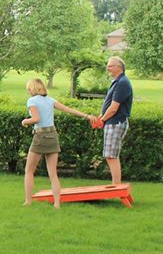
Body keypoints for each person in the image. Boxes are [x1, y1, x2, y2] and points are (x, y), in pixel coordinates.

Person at [22, 78, 94, 207]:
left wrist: (25, 121)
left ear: (32, 89)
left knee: (29, 170)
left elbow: (36, 119)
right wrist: (87, 116)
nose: (28, 91)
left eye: (29, 88)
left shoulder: (32, 101)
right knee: (53, 173)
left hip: (40, 136)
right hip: (53, 135)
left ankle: (28, 201)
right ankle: (57, 204)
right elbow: (67, 109)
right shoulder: (50, 100)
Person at [96, 56, 134, 184]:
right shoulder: (118, 81)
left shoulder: (122, 83)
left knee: (111, 156)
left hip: (116, 122)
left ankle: (116, 186)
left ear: (119, 67)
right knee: (110, 155)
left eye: (110, 66)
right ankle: (115, 185)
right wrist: (102, 117)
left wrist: (102, 119)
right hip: (111, 122)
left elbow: (114, 107)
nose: (108, 68)